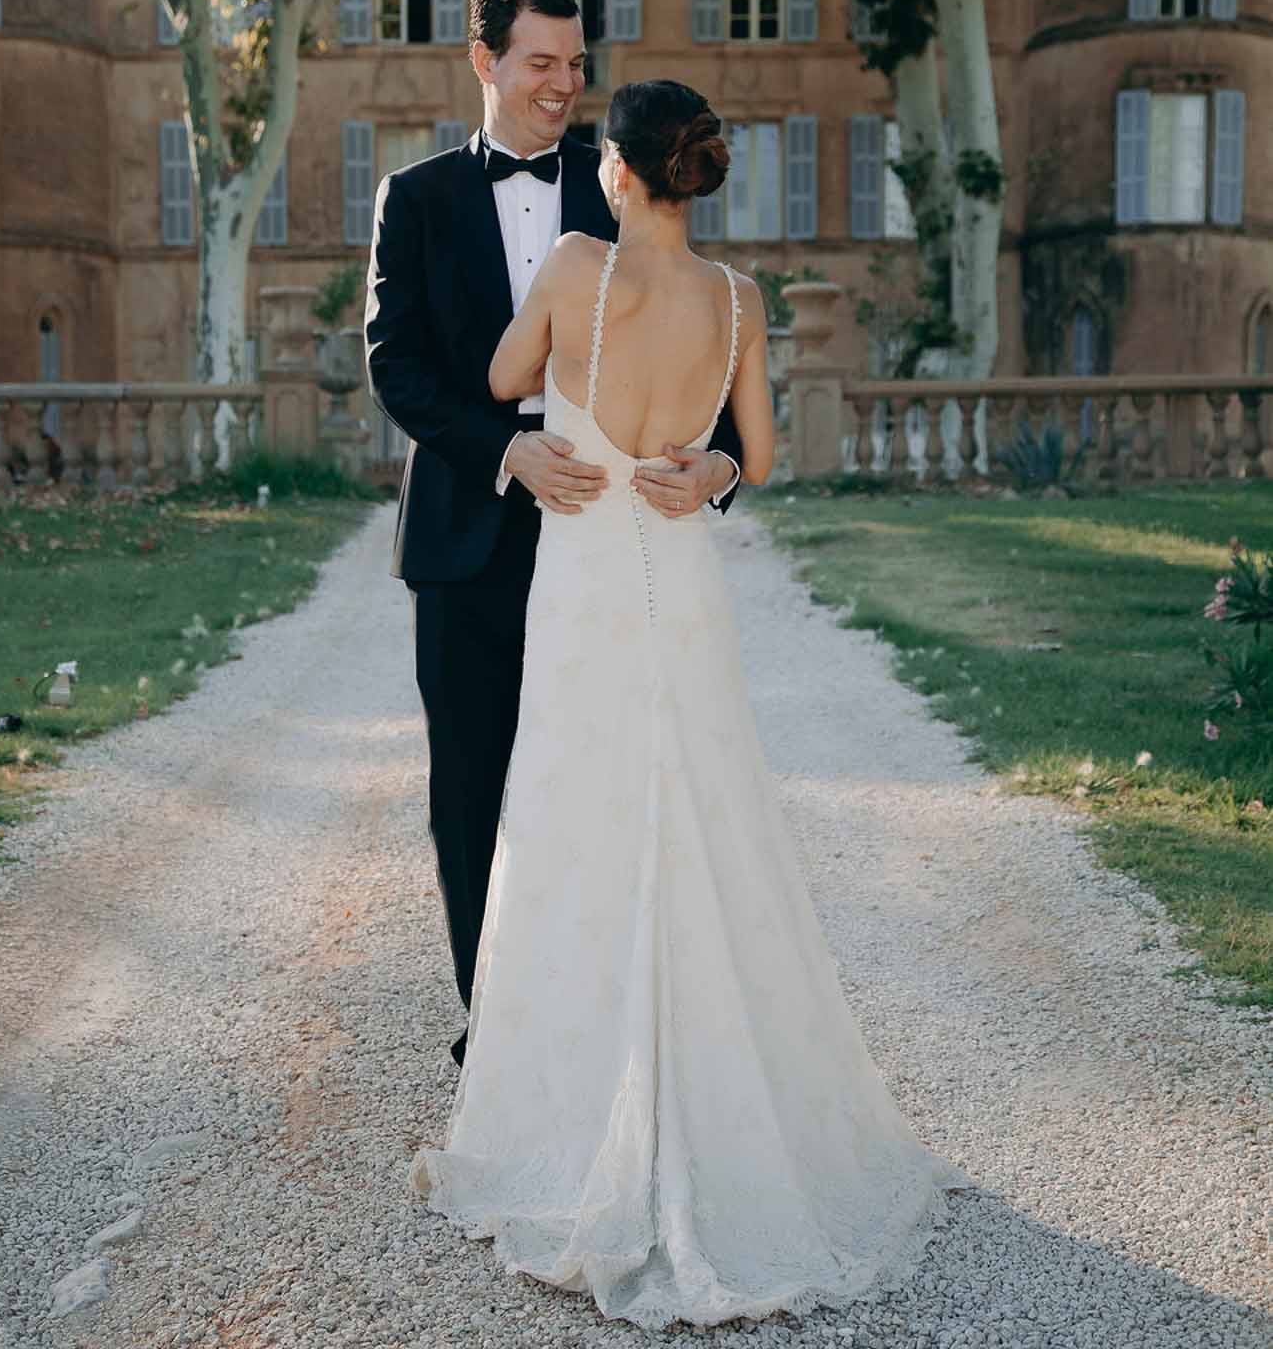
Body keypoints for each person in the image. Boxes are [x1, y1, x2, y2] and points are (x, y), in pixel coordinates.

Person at [408, 77, 972, 1330]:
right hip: (684, 577)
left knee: (574, 824)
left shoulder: (572, 266)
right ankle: (729, 1105)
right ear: (695, 170)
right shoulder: (741, 298)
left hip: (585, 582)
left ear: (617, 168)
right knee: (711, 814)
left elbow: (501, 374)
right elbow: (756, 457)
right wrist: (709, 458)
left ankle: (574, 1108)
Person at [363, 0, 744, 1069]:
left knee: (614, 777)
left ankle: (608, 1022)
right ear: (484, 61)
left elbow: (710, 323)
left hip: (614, 532)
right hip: (466, 529)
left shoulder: (626, 175)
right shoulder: (415, 197)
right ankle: (497, 1030)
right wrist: (504, 449)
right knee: (470, 785)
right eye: (540, 62)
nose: (563, 85)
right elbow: (396, 364)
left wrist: (721, 463)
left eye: (576, 64)